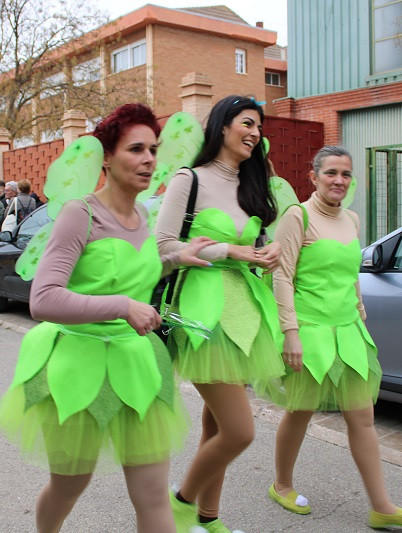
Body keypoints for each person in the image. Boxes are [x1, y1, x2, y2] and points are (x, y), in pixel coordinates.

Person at [0, 104, 215, 533]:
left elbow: (132, 272)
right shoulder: (81, 213)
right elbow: (43, 299)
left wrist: (174, 258)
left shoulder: (146, 214)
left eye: (153, 149)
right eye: (136, 149)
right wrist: (120, 306)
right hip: (80, 366)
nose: (150, 159)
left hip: (135, 365)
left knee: (152, 496)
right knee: (69, 484)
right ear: (107, 158)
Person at [261, 146, 402, 529]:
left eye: (346, 174)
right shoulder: (297, 216)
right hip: (309, 332)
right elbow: (282, 277)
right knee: (300, 411)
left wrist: (361, 319)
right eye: (331, 173)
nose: (339, 180)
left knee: (363, 418)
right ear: (314, 176)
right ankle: (282, 484)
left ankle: (381, 506)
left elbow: (351, 276)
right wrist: (290, 333)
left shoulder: (352, 219)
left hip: (348, 331)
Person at [154, 95, 284, 533]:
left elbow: (255, 244)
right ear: (223, 126)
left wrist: (266, 253)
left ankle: (208, 519)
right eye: (248, 123)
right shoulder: (188, 180)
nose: (255, 133)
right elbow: (163, 248)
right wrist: (227, 249)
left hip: (245, 315)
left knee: (217, 426)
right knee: (239, 431)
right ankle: (180, 503)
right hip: (201, 316)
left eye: (260, 127)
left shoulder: (250, 186)